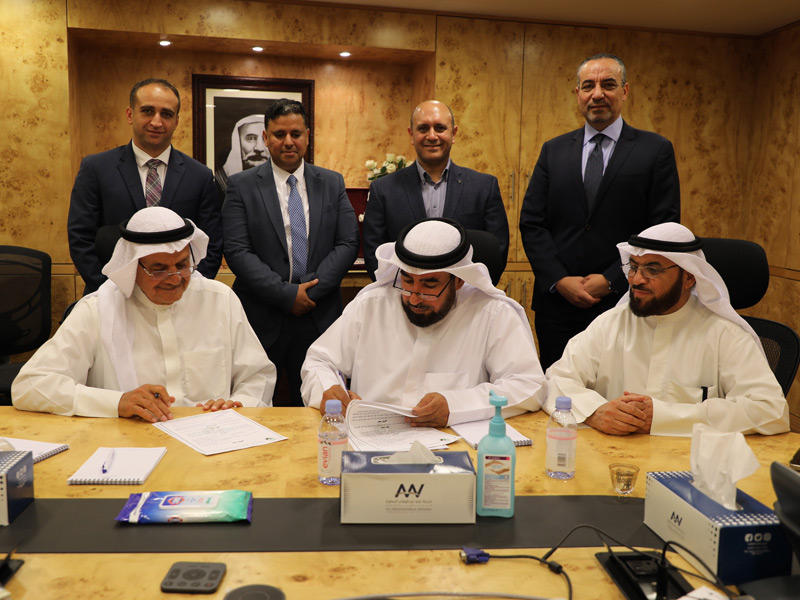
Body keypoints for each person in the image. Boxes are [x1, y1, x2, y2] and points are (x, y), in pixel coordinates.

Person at [12, 207, 275, 422]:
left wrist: (239, 405)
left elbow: (257, 376)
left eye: (182, 265)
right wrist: (117, 402)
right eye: (159, 269)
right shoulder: (97, 310)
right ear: (132, 267)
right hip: (129, 447)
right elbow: (30, 385)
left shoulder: (220, 300)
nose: (175, 278)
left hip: (213, 441)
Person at [544, 222, 790, 436]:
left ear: (689, 278)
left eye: (652, 270)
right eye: (634, 267)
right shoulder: (611, 324)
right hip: (615, 462)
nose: (636, 279)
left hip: (690, 468)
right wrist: (594, 411)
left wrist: (664, 417)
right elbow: (556, 380)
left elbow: (771, 410)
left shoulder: (724, 334)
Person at [301, 218, 546, 427]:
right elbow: (319, 361)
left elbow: (528, 385)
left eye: (430, 285)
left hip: (453, 445)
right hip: (369, 440)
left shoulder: (492, 313)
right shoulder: (371, 305)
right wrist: (329, 390)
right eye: (407, 281)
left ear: (458, 281)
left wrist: (455, 406)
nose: (414, 297)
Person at [519, 54, 680, 369]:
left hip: (625, 301)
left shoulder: (655, 150)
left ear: (625, 91)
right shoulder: (553, 150)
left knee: (618, 388)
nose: (597, 94)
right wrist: (559, 279)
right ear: (577, 93)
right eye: (588, 86)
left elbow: (662, 228)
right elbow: (532, 223)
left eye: (608, 85)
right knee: (558, 388)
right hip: (558, 306)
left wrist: (612, 279)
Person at [222, 99, 359, 407]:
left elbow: (348, 242)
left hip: (319, 315)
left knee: (319, 406)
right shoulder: (241, 186)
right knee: (255, 407)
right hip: (261, 316)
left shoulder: (332, 182)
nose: (288, 141)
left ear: (307, 136)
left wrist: (309, 291)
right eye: (279, 134)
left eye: (295, 134)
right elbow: (238, 250)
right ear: (266, 137)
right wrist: (286, 294)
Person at [68, 78, 223, 295]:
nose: (157, 122)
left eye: (166, 114)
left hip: (180, 298)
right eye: (148, 111)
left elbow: (212, 245)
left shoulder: (200, 176)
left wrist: (186, 292)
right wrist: (115, 291)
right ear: (130, 114)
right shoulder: (96, 168)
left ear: (177, 121)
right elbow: (80, 238)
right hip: (110, 296)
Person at [362, 100, 509, 280]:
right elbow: (374, 254)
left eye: (440, 128)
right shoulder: (383, 190)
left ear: (453, 133)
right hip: (402, 294)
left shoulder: (483, 187)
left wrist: (464, 292)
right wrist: (406, 290)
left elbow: (496, 252)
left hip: (465, 294)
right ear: (411, 135)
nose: (432, 136)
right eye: (423, 128)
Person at [215, 114, 269, 191]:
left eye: (266, 138)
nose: (259, 148)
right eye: (251, 138)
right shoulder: (218, 182)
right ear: (238, 142)